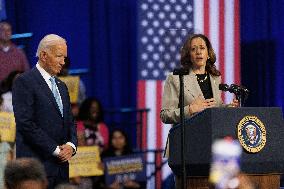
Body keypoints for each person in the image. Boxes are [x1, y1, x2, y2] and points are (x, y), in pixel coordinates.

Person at [12, 34, 78, 189]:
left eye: (64, 57)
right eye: (59, 56)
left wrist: (71, 145)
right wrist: (55, 150)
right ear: (43, 55)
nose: (63, 62)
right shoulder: (24, 81)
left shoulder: (62, 86)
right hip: (35, 170)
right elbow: (25, 124)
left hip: (61, 170)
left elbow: (70, 122)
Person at [160, 33, 239, 124]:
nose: (198, 52)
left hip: (211, 135)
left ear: (208, 54)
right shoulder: (176, 78)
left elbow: (215, 107)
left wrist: (229, 108)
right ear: (189, 55)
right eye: (193, 49)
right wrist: (190, 109)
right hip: (187, 135)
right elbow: (165, 115)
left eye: (202, 48)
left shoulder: (215, 78)